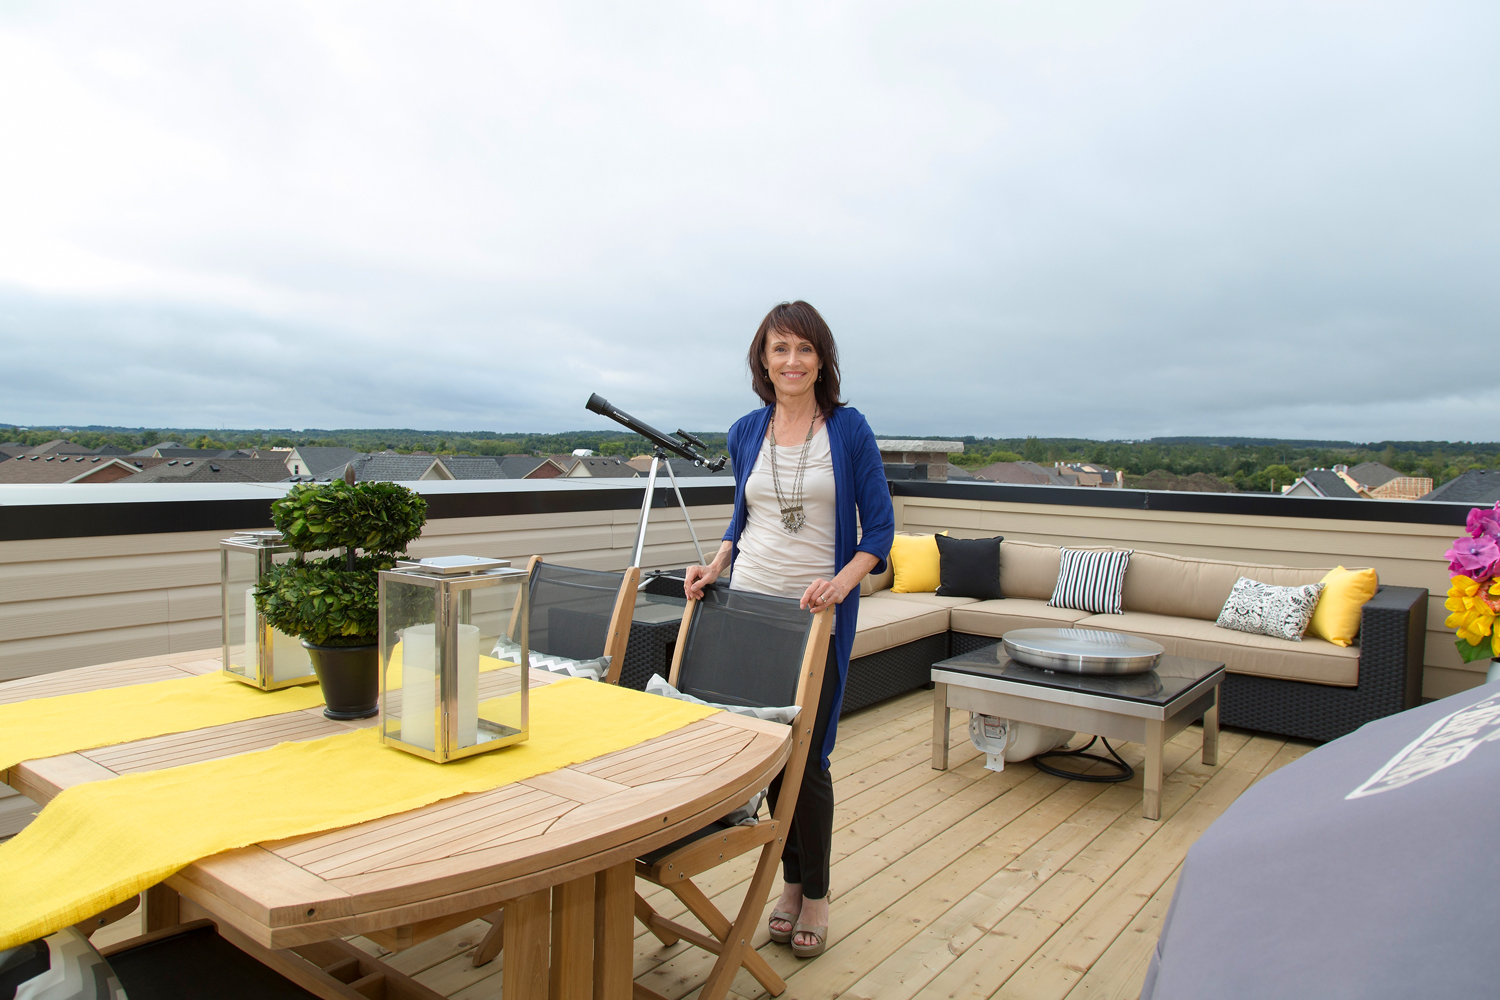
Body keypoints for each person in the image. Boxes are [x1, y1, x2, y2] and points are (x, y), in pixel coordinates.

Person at [683, 300, 894, 959]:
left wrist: (841, 583)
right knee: (770, 751)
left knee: (810, 758)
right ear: (763, 360)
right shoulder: (746, 431)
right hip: (750, 611)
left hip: (815, 619)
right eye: (780, 349)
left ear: (822, 360)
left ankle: (817, 894)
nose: (792, 361)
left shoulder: (849, 430)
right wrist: (716, 564)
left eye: (805, 349)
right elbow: (742, 518)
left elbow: (879, 531)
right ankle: (791, 884)